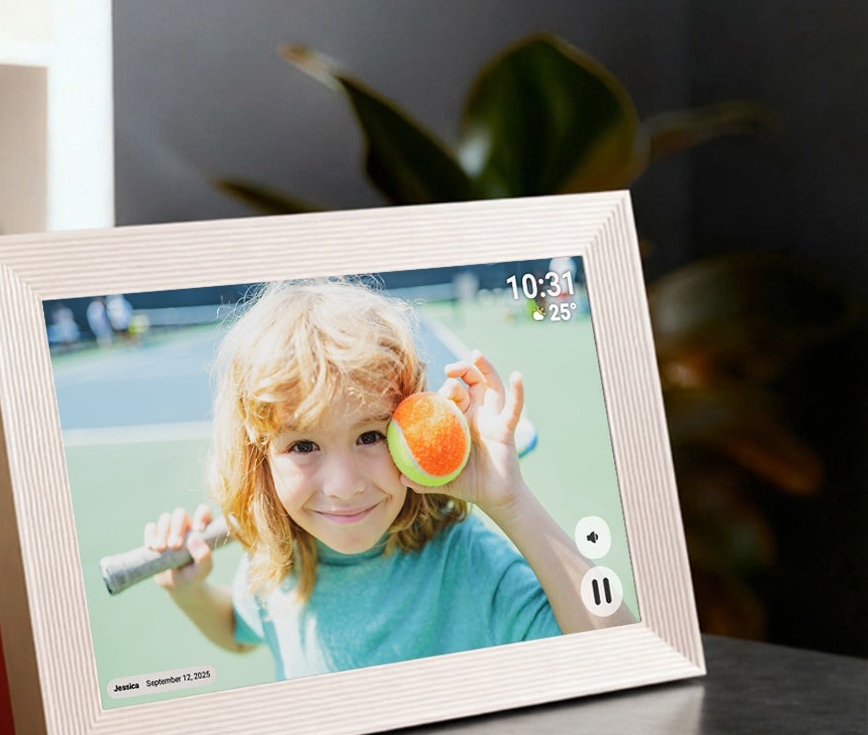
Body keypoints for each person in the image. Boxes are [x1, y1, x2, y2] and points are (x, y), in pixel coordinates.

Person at [143, 278, 629, 680]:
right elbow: (239, 629)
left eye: (371, 436)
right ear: (259, 459)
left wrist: (512, 503)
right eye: (304, 446)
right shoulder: (275, 558)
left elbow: (617, 661)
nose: (344, 485)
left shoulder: (465, 563)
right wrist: (190, 593)